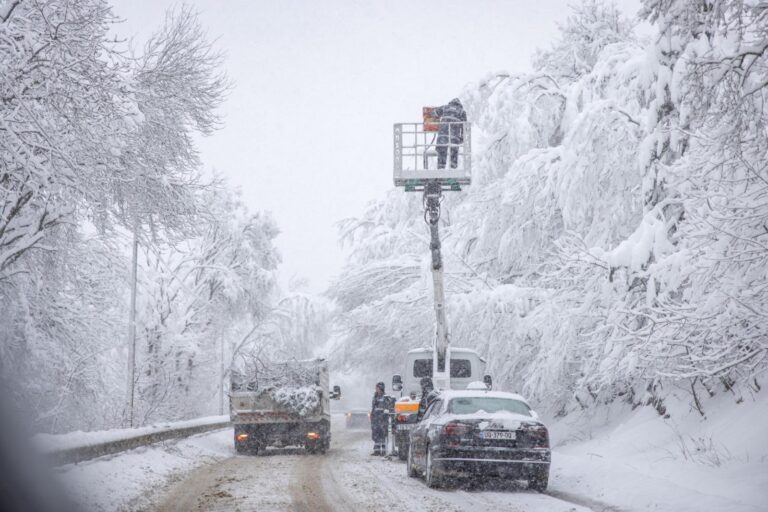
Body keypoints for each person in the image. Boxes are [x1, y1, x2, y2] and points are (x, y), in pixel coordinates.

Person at [432, 98, 467, 169]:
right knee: (454, 153)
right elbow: (465, 127)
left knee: (442, 152)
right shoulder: (462, 112)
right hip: (454, 136)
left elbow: (434, 112)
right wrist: (462, 138)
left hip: (443, 135)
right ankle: (453, 168)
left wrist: (436, 118)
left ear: (451, 103)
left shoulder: (445, 107)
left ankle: (441, 169)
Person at [370, 382, 389, 455]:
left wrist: (383, 415)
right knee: (375, 435)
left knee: (383, 435)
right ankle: (377, 450)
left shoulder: (385, 397)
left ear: (381, 388)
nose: (376, 389)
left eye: (377, 388)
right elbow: (373, 407)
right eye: (376, 388)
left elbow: (387, 408)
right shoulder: (375, 396)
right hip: (375, 419)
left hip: (382, 420)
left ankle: (383, 451)